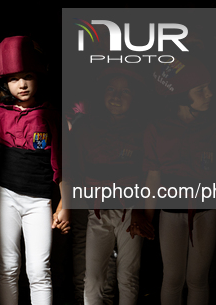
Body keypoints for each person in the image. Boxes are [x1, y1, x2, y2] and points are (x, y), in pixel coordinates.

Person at [0, 36, 68, 305]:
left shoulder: (52, 115)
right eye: (13, 78)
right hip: (4, 197)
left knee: (39, 271)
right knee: (7, 267)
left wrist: (65, 204)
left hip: (39, 201)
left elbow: (62, 165)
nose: (21, 84)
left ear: (40, 75)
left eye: (28, 75)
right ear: (4, 83)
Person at [141, 54, 216, 305]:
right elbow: (153, 175)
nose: (210, 94)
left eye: (208, 87)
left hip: (206, 210)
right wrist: (146, 218)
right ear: (181, 95)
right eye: (201, 89)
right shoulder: (157, 128)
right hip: (170, 211)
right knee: (172, 278)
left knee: (198, 278)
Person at [65, 65, 153, 305]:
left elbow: (149, 175)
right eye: (111, 89)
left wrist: (141, 211)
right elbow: (76, 169)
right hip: (98, 212)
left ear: (135, 98)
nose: (116, 96)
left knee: (128, 276)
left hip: (131, 214)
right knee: (93, 278)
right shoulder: (85, 128)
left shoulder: (144, 131)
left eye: (125, 92)